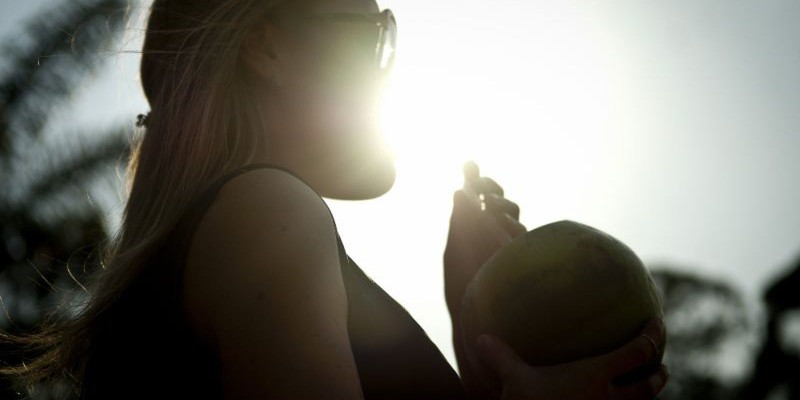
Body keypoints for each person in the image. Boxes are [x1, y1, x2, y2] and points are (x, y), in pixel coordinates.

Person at [0, 0, 668, 399]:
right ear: (270, 48)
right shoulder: (268, 211)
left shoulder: (230, 230)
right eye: (374, 33)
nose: (389, 68)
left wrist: (476, 326)